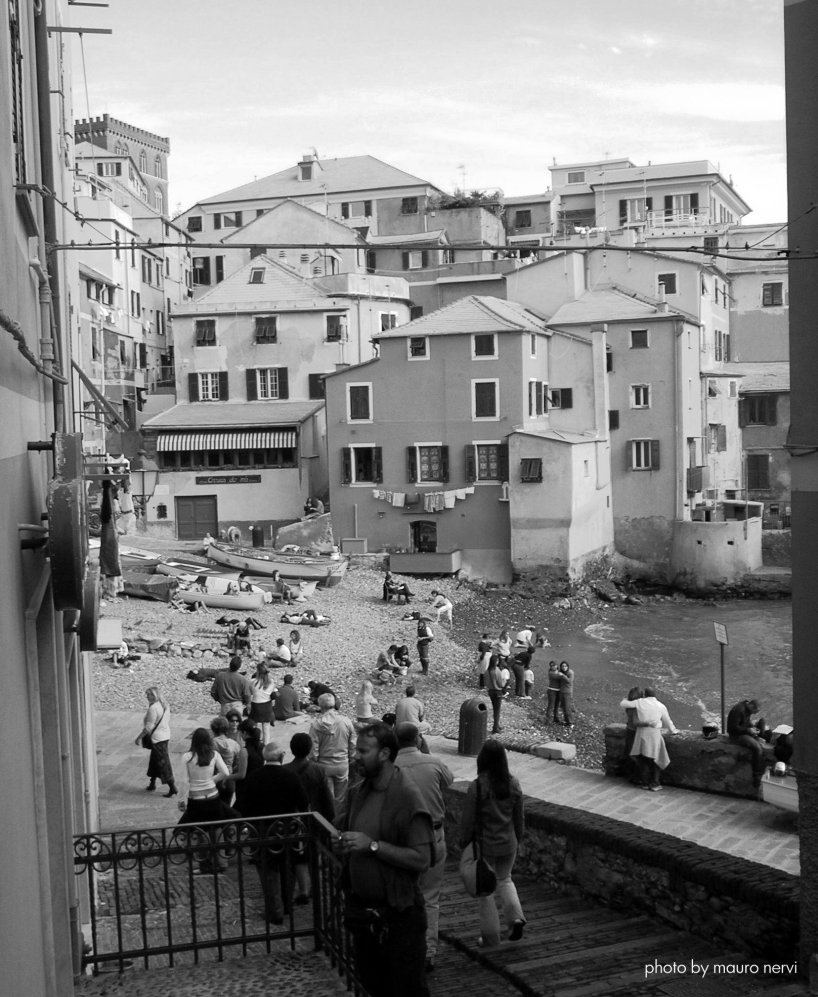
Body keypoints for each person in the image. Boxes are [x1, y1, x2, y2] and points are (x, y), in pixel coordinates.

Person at [335, 722, 434, 997]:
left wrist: (373, 846)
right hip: (365, 918)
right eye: (356, 750)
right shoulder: (358, 791)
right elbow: (351, 832)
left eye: (363, 751)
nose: (355, 756)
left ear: (384, 754)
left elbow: (422, 859)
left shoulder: (407, 796)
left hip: (399, 919)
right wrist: (343, 842)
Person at [395, 722, 454, 973]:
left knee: (403, 894)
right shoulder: (434, 763)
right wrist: (425, 750)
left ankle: (404, 948)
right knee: (430, 897)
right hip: (434, 834)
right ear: (418, 739)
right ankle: (428, 952)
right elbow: (449, 782)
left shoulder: (391, 767)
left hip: (404, 838)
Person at [459, 739, 526, 948]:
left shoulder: (477, 786)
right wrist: (519, 838)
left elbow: (468, 820)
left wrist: (463, 842)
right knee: (505, 879)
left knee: (485, 890)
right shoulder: (513, 783)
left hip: (485, 844)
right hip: (509, 842)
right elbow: (519, 817)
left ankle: (490, 937)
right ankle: (516, 918)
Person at [239, 741, 309, 925]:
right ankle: (287, 905)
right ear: (282, 756)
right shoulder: (291, 776)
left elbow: (244, 806)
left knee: (268, 871)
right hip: (287, 829)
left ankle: (275, 911)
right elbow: (303, 803)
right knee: (288, 867)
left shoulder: (254, 777)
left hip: (262, 830)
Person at [177, 727, 238, 874]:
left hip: (196, 799)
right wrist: (212, 780)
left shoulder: (188, 757)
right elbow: (225, 772)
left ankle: (205, 864)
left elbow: (184, 781)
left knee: (200, 831)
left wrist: (181, 799)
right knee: (216, 830)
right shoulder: (214, 755)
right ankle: (222, 862)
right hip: (212, 797)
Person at [286, 731, 336, 905]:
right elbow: (327, 798)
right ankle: (314, 887)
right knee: (314, 856)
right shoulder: (318, 770)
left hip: (293, 820)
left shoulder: (286, 770)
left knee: (298, 857)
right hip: (315, 817)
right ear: (309, 749)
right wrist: (332, 820)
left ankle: (303, 888)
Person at [622, 687, 679, 791]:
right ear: (655, 695)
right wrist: (673, 730)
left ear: (645, 694)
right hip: (654, 734)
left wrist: (628, 700)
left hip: (641, 734)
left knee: (643, 759)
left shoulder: (638, 704)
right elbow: (667, 720)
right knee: (656, 759)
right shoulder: (660, 706)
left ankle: (644, 782)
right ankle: (655, 783)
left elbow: (624, 704)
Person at [310, 692, 356, 808]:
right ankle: (339, 822)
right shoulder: (346, 721)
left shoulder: (316, 724)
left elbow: (313, 748)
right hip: (342, 763)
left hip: (323, 764)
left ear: (320, 706)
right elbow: (352, 744)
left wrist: (314, 761)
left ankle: (328, 822)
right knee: (341, 799)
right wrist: (351, 757)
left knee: (327, 799)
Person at [135, 686, 177, 797]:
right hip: (165, 735)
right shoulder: (165, 705)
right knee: (154, 761)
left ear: (155, 695)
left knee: (163, 763)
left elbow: (149, 727)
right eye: (147, 694)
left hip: (157, 738)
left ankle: (172, 787)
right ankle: (152, 783)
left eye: (149, 695)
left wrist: (139, 737)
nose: (147, 697)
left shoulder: (153, 708)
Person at [727, 698, 768, 788]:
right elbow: (732, 728)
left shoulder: (747, 708)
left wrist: (752, 728)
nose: (754, 714)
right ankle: (757, 776)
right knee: (757, 748)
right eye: (755, 712)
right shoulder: (738, 710)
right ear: (751, 706)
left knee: (762, 721)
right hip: (737, 736)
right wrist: (748, 730)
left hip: (745, 731)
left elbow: (746, 721)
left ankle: (759, 737)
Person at [227, 720, 265, 815]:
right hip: (258, 784)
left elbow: (241, 775)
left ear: (244, 733)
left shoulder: (245, 751)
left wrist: (225, 777)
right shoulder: (262, 746)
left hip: (246, 787)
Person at [210, 716, 239, 803]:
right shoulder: (234, 744)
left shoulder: (211, 743)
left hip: (214, 778)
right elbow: (237, 764)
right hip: (229, 779)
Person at [249, 661, 277, 743]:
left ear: (257, 672)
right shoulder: (271, 682)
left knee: (255, 727)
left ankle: (255, 742)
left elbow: (251, 693)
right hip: (266, 706)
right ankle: (266, 745)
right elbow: (274, 694)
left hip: (256, 705)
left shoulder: (252, 682)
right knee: (266, 728)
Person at [622, 686, 644, 785]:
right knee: (636, 754)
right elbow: (636, 722)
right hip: (636, 731)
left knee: (629, 752)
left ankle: (632, 776)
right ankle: (638, 777)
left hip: (630, 730)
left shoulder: (628, 704)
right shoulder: (638, 707)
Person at [484, 655, 506, 735]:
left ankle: (496, 725)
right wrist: (502, 688)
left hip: (490, 691)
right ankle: (495, 727)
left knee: (495, 709)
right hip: (496, 691)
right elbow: (497, 684)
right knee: (497, 710)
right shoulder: (495, 670)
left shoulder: (487, 670)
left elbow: (487, 681)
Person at [556, 661, 575, 727]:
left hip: (567, 692)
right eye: (562, 666)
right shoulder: (560, 673)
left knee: (567, 708)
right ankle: (567, 721)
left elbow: (569, 681)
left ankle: (571, 722)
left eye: (565, 666)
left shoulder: (570, 672)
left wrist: (563, 676)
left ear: (567, 666)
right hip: (561, 692)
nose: (564, 667)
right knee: (563, 708)